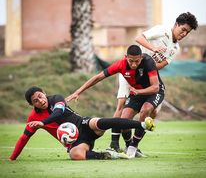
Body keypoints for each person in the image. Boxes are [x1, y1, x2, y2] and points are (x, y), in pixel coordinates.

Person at [110, 12, 198, 156]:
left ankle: (131, 146)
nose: (184, 34)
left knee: (153, 111)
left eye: (187, 32)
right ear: (176, 24)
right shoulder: (162, 31)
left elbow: (161, 64)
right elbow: (138, 38)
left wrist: (147, 69)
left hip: (145, 77)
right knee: (121, 106)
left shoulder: (176, 49)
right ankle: (113, 144)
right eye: (183, 30)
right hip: (129, 70)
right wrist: (153, 49)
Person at [66, 45, 165, 158]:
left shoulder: (148, 61)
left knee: (145, 110)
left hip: (154, 92)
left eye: (137, 61)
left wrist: (138, 91)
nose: (133, 64)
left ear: (141, 57)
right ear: (125, 57)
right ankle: (128, 145)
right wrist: (78, 91)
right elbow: (98, 77)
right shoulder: (120, 65)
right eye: (131, 61)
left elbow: (155, 87)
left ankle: (133, 146)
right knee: (124, 120)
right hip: (137, 92)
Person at [9, 86, 155, 161]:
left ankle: (141, 125)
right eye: (36, 101)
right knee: (75, 155)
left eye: (40, 96)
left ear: (44, 92)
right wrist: (12, 158)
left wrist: (42, 122)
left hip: (83, 124)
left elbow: (58, 113)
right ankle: (109, 155)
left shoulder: (56, 99)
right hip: (76, 140)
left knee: (99, 122)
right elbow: (24, 138)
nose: (41, 101)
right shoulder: (33, 118)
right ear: (31, 104)